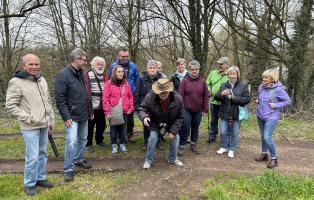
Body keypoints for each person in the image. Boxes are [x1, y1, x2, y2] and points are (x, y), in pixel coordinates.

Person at [6, 54, 55, 195]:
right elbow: (10, 105)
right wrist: (28, 118)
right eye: (31, 64)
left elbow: (48, 101)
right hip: (30, 126)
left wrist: (50, 119)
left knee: (43, 153)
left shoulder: (42, 80)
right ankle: (29, 183)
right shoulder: (16, 82)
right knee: (32, 157)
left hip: (44, 124)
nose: (34, 67)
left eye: (36, 64)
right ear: (24, 66)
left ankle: (40, 178)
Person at [55, 48, 92, 182]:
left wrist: (90, 111)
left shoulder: (83, 73)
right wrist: (66, 116)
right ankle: (68, 169)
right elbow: (60, 98)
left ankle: (78, 159)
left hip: (84, 113)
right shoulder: (63, 75)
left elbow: (87, 94)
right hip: (72, 116)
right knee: (71, 142)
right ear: (76, 59)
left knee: (83, 139)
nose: (85, 62)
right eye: (83, 59)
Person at [138, 79, 185, 169]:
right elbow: (141, 109)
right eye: (161, 92)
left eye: (165, 92)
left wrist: (173, 131)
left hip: (171, 123)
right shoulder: (149, 97)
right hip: (155, 123)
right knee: (152, 138)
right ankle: (148, 161)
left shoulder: (178, 98)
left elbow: (181, 116)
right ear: (157, 91)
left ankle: (172, 159)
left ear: (169, 90)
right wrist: (144, 117)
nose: (163, 94)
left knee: (176, 137)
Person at [255, 69, 291, 168]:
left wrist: (275, 105)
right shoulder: (261, 87)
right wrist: (258, 100)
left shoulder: (278, 89)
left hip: (271, 116)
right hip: (260, 114)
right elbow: (262, 97)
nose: (264, 79)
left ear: (272, 78)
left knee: (267, 137)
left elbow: (288, 101)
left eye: (266, 77)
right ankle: (264, 154)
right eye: (263, 77)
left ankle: (274, 158)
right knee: (263, 135)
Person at [215, 66, 250, 158]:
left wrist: (234, 98)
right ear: (228, 75)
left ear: (237, 75)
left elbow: (247, 99)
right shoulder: (223, 85)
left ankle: (232, 149)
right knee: (223, 131)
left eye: (234, 74)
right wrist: (222, 94)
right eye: (230, 74)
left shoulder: (243, 86)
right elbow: (216, 97)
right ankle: (224, 146)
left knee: (235, 132)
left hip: (236, 113)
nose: (232, 76)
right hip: (224, 112)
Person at [178, 60, 209, 155]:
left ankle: (194, 144)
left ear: (199, 70)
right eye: (192, 69)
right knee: (185, 127)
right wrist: (181, 109)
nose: (194, 71)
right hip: (186, 109)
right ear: (189, 70)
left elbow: (205, 96)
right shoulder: (184, 81)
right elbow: (180, 96)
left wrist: (205, 108)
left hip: (198, 109)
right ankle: (182, 145)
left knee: (195, 127)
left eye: (196, 69)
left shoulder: (202, 81)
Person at [109, 49, 139, 142]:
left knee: (129, 117)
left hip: (130, 95)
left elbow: (137, 80)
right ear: (119, 56)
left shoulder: (133, 66)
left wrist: (135, 92)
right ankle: (118, 136)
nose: (125, 58)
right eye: (123, 56)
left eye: (126, 56)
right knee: (117, 116)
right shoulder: (113, 66)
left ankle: (129, 135)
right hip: (117, 96)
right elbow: (110, 80)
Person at [103, 65, 134, 154]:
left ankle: (122, 144)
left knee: (123, 129)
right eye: (118, 72)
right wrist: (107, 111)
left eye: (122, 72)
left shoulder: (126, 83)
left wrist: (131, 107)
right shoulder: (109, 83)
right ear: (114, 73)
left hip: (125, 110)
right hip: (114, 111)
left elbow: (130, 96)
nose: (121, 73)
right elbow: (105, 98)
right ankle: (114, 145)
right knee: (113, 130)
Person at [134, 60, 163, 151]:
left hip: (158, 107)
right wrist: (137, 107)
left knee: (158, 125)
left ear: (157, 69)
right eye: (150, 68)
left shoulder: (161, 79)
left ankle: (158, 142)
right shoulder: (141, 79)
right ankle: (146, 143)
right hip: (145, 107)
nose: (152, 69)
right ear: (147, 69)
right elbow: (137, 94)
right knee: (147, 125)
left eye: (154, 67)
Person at [84, 56, 109, 152]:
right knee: (90, 125)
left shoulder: (105, 75)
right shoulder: (88, 74)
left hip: (102, 104)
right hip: (91, 105)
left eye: (102, 64)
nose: (100, 66)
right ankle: (88, 144)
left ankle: (99, 140)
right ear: (93, 65)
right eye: (98, 64)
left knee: (101, 124)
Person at [206, 57, 230, 143]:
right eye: (218, 64)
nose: (219, 65)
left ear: (227, 65)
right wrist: (208, 90)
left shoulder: (230, 74)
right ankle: (212, 135)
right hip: (214, 101)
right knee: (213, 119)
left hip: (225, 103)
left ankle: (225, 135)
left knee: (225, 120)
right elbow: (208, 83)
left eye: (221, 64)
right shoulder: (213, 73)